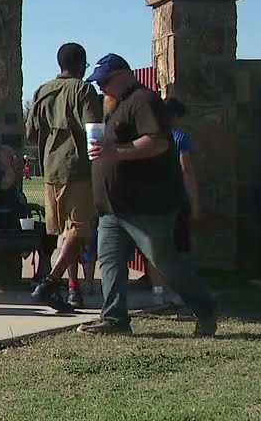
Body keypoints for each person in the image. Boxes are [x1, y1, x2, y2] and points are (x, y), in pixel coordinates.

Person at [79, 53, 217, 337]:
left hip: (146, 207)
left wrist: (113, 152)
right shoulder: (113, 105)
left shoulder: (144, 101)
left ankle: (205, 308)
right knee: (111, 262)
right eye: (98, 82)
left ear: (123, 75)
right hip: (112, 207)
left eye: (105, 81)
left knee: (164, 262)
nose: (101, 87)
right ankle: (114, 318)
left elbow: (156, 143)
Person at [25, 42, 102, 311]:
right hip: (78, 169)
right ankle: (50, 282)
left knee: (64, 233)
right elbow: (95, 132)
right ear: (81, 64)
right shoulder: (84, 90)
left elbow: (30, 133)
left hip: (49, 170)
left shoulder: (42, 92)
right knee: (80, 231)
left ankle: (71, 289)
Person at [145, 97, 200, 307]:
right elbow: (186, 170)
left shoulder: (148, 137)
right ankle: (177, 290)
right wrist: (195, 202)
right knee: (177, 248)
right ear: (176, 116)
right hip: (175, 199)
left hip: (151, 199)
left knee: (154, 248)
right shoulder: (179, 137)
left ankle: (158, 290)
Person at [0, 144, 30, 230]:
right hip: (2, 218)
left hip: (14, 215)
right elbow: (6, 184)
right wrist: (9, 165)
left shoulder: (8, 171)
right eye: (9, 156)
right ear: (0, 158)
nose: (13, 158)